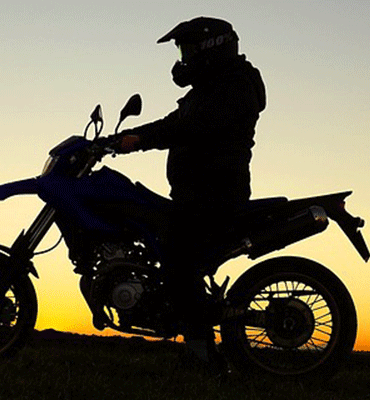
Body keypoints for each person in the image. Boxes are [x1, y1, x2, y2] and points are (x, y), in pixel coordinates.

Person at [113, 16, 266, 366]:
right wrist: (126, 138)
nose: (183, 59)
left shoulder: (235, 86)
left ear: (211, 48)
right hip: (193, 193)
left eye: (188, 50)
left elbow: (191, 128)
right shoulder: (210, 89)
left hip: (214, 194)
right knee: (161, 242)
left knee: (177, 261)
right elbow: (173, 123)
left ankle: (202, 352)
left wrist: (141, 141)